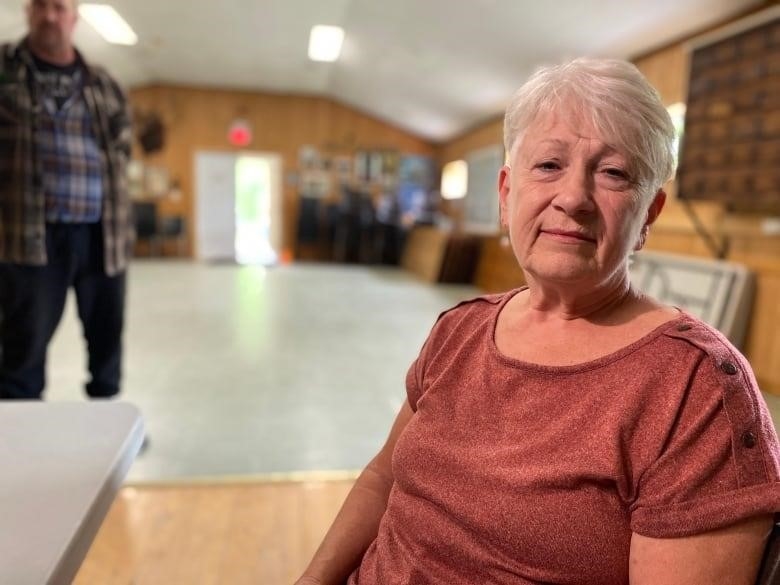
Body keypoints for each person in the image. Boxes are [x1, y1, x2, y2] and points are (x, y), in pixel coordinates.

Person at [296, 58, 780, 585]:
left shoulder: (696, 389)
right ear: (506, 195)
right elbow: (381, 478)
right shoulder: (460, 330)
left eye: (613, 173)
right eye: (549, 165)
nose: (573, 198)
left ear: (649, 216)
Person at [0, 0, 132, 400]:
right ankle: (17, 423)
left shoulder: (103, 83)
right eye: (41, 6)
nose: (49, 15)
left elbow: (123, 151)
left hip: (101, 235)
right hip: (29, 235)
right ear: (28, 12)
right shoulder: (5, 69)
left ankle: (106, 416)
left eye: (59, 7)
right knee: (24, 339)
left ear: (74, 18)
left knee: (106, 335)